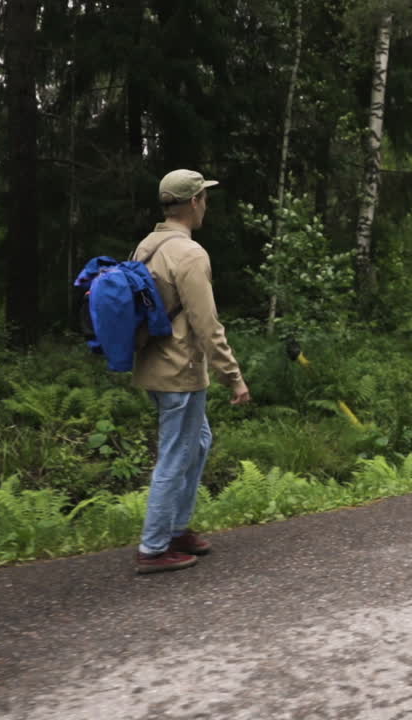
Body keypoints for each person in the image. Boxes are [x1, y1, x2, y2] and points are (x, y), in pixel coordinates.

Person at [131, 169, 251, 574]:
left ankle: (178, 529)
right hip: (179, 370)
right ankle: (153, 547)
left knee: (198, 441)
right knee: (176, 453)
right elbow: (207, 325)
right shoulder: (190, 254)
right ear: (194, 202)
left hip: (153, 366)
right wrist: (233, 376)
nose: (206, 204)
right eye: (204, 197)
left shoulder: (147, 245)